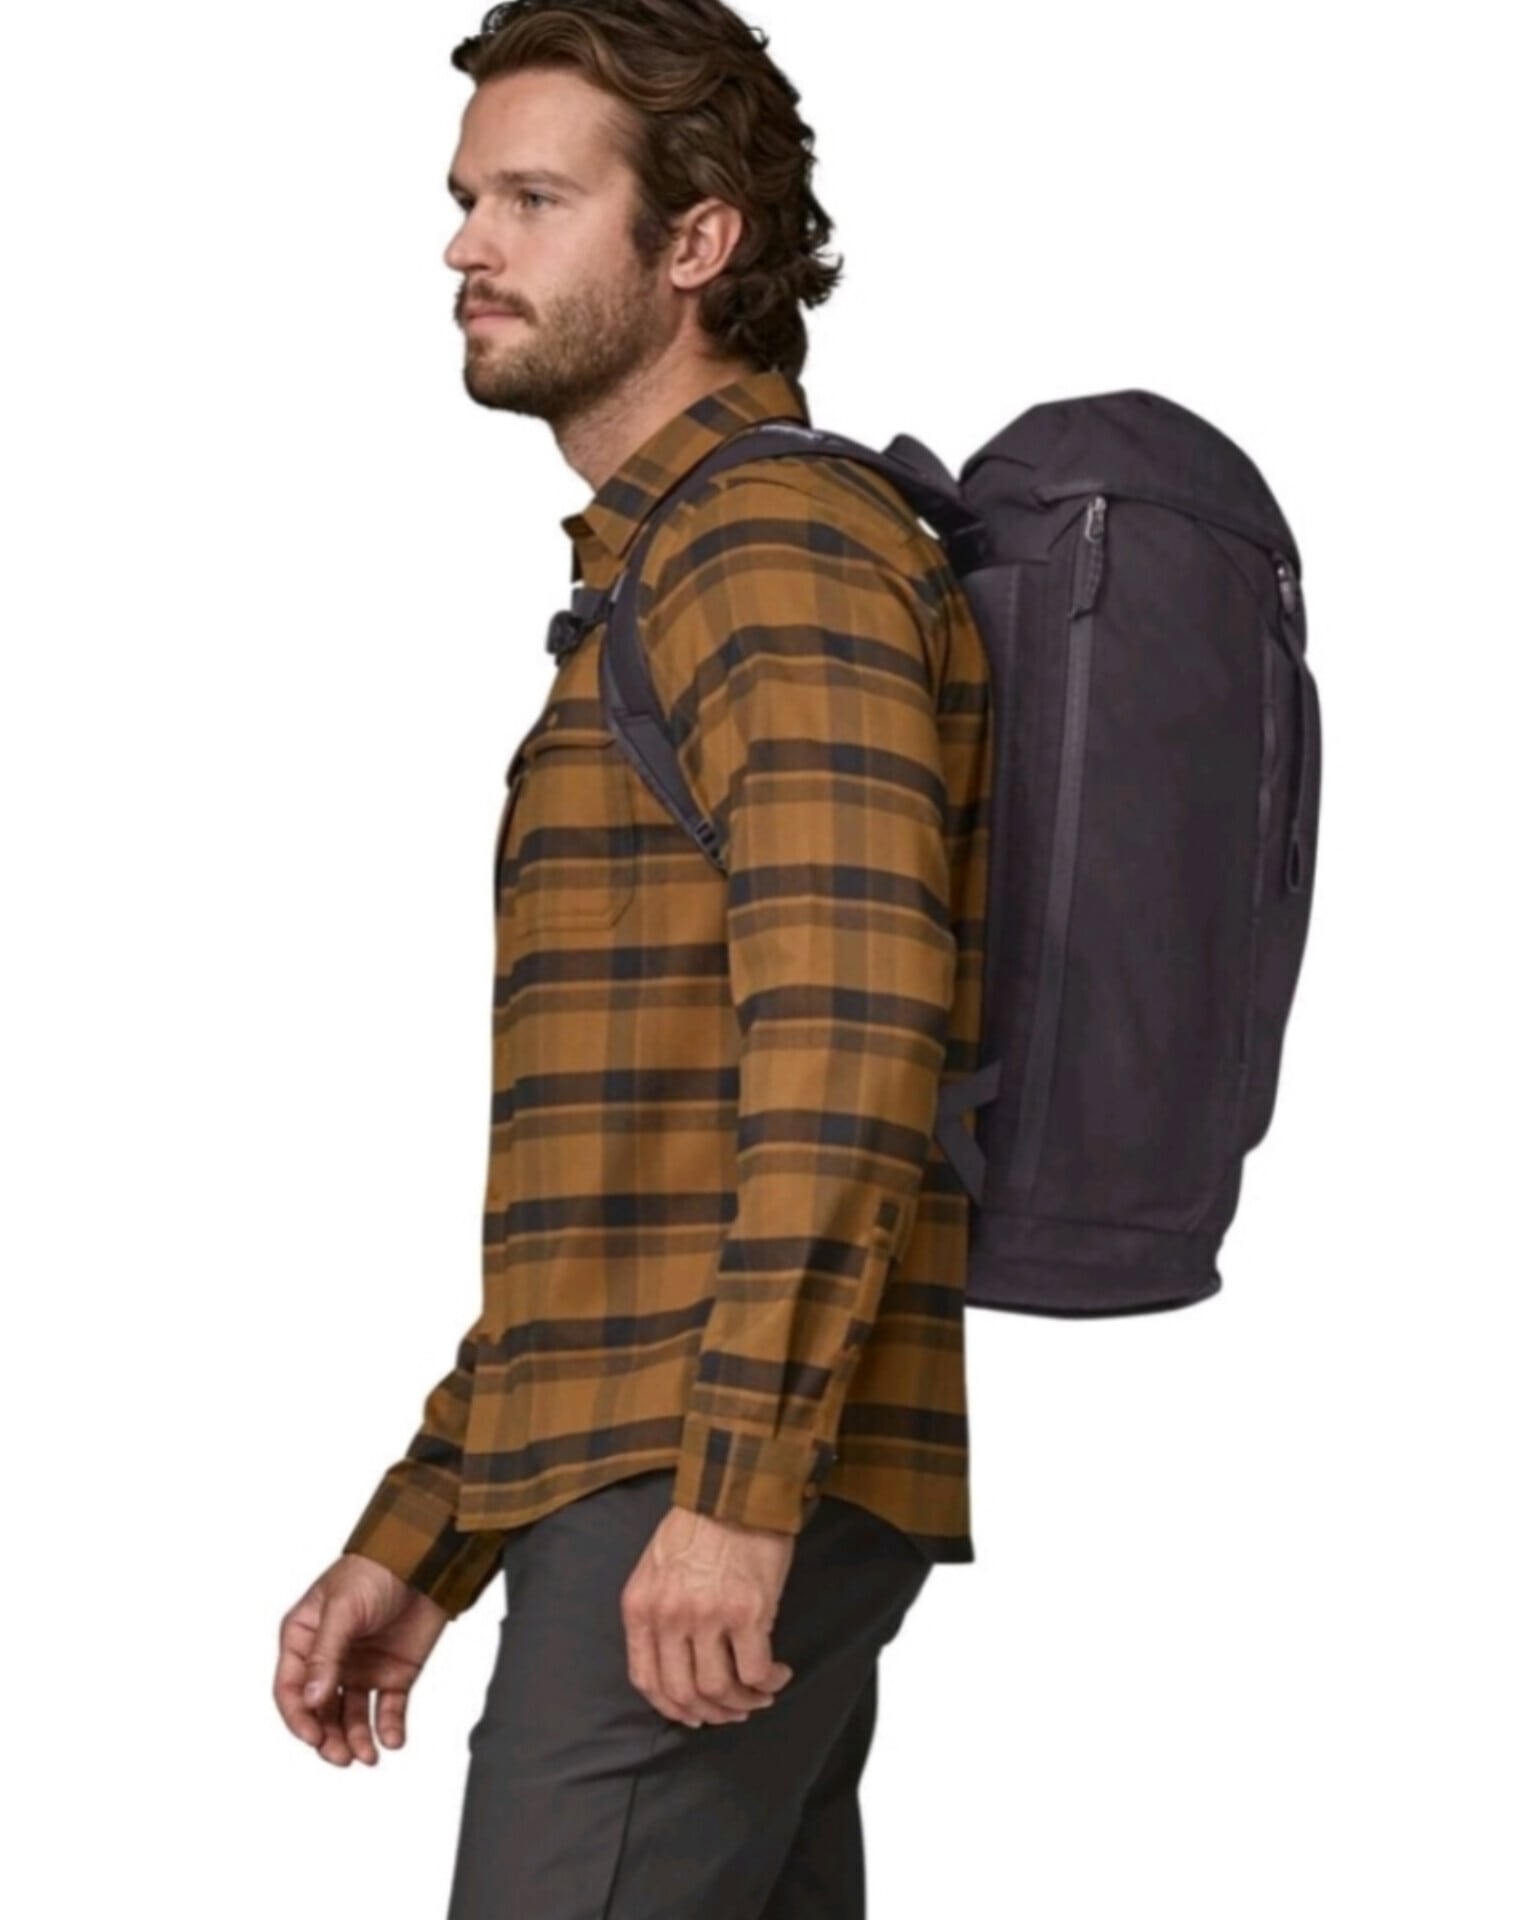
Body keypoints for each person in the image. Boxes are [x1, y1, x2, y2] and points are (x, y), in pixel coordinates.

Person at [273, 3, 991, 1913]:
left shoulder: (772, 548)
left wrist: (737, 1494)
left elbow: (853, 1034)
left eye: (531, 199)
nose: (464, 245)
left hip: (703, 1478)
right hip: (663, 1468)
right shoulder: (666, 571)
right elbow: (620, 1177)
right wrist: (426, 1535)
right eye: (464, 197)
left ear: (697, 243)